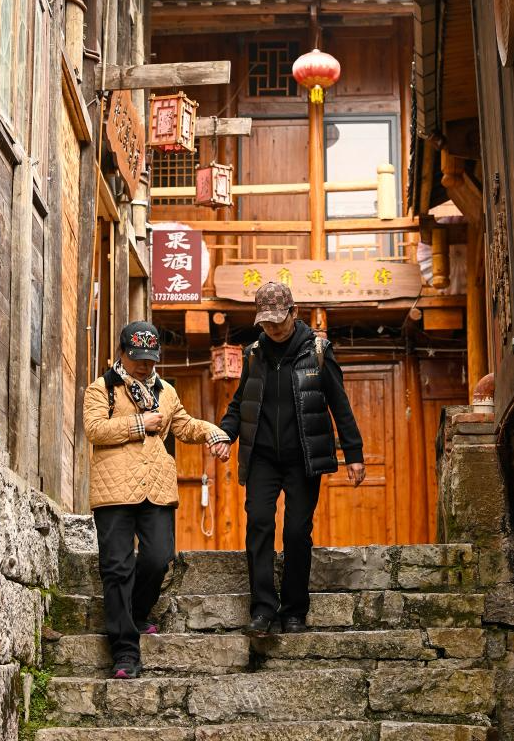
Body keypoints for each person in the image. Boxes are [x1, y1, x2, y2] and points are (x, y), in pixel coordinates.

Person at [211, 283, 365, 636]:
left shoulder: (318, 351)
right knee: (259, 525)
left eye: (279, 322)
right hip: (262, 457)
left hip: (303, 458)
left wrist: (353, 454)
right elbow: (239, 406)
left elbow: (339, 405)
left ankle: (295, 610)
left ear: (294, 313)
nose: (273, 330)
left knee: (296, 531)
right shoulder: (254, 354)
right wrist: (224, 434)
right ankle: (263, 611)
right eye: (266, 324)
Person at [83, 320, 230, 679]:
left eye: (150, 359)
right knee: (117, 567)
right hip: (114, 488)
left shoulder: (166, 391)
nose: (144, 366)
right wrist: (138, 425)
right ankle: (124, 652)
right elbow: (94, 430)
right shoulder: (101, 388)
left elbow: (183, 425)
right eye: (137, 359)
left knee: (158, 558)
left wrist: (213, 432)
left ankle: (133, 613)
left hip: (157, 488)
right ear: (122, 353)